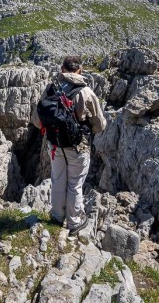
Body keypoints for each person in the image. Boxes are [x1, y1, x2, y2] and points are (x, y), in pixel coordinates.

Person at [33, 55, 106, 236]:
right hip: (78, 147)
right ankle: (74, 223)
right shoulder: (86, 92)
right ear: (80, 70)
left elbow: (36, 120)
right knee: (75, 184)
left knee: (58, 179)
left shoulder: (51, 89)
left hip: (55, 145)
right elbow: (100, 125)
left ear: (62, 69)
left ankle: (57, 217)